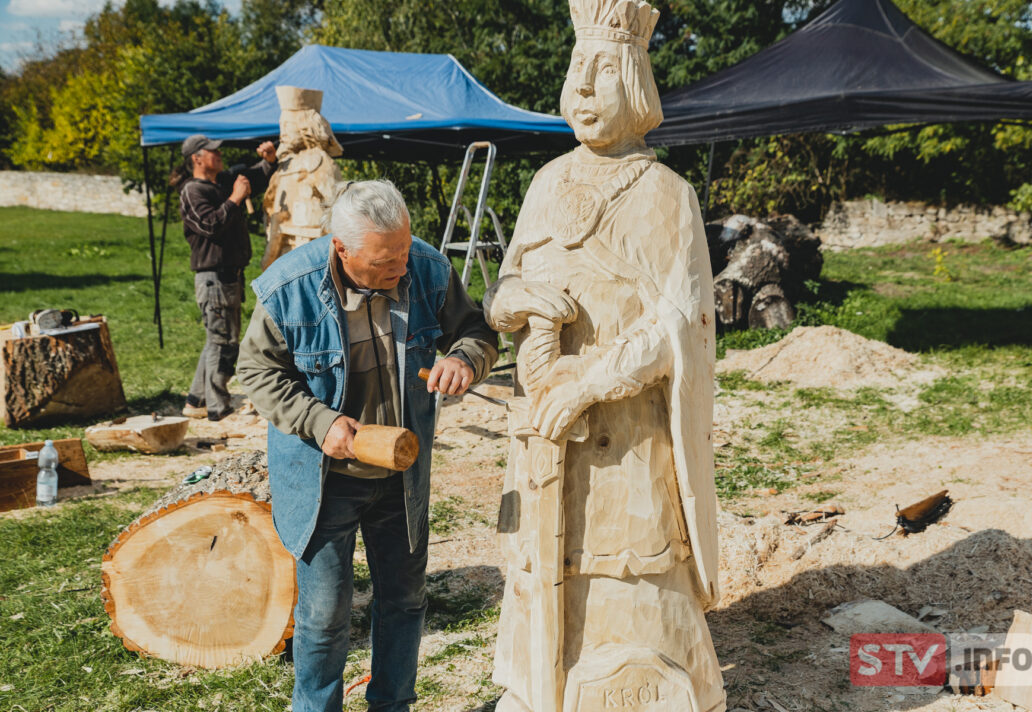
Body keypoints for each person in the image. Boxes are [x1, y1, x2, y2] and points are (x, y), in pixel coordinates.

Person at [483, 0, 725, 710]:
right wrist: (518, 300)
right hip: (546, 432)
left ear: (638, 82)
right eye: (576, 71)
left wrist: (590, 382)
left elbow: (681, 320)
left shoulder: (666, 195)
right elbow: (501, 292)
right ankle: (540, 689)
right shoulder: (546, 181)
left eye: (602, 73)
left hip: (629, 434)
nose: (583, 90)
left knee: (632, 568)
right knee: (543, 563)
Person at [236, 179, 498, 712]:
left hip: (400, 477)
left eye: (403, 251)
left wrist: (465, 359)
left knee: (404, 602)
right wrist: (317, 420)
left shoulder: (425, 267)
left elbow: (477, 331)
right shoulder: (292, 286)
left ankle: (391, 705)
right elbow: (256, 372)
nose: (400, 268)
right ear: (342, 249)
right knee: (325, 617)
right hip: (323, 481)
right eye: (384, 262)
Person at [174, 133, 277, 420]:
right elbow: (209, 225)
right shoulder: (193, 191)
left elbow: (255, 177)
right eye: (212, 152)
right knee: (223, 344)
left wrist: (268, 161)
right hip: (213, 278)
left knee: (217, 340)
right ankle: (218, 408)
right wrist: (235, 198)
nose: (219, 155)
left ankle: (196, 400)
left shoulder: (221, 182)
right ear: (197, 158)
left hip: (229, 276)